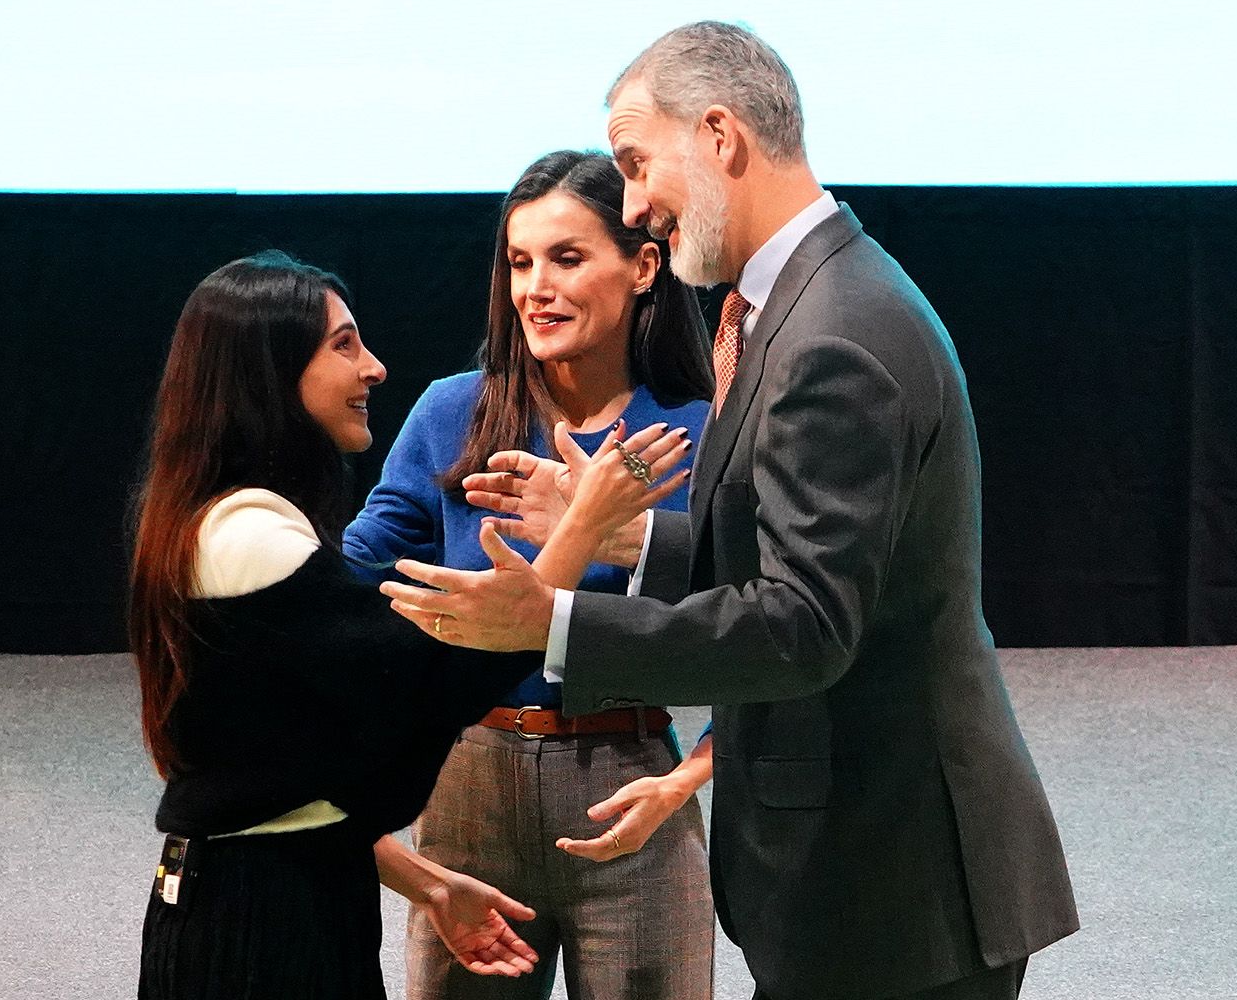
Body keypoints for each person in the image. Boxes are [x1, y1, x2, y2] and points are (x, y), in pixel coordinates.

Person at [381, 22, 1081, 1000]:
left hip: (897, 882)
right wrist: (624, 532)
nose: (634, 204)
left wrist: (552, 620)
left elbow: (802, 626)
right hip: (865, 867)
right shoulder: (797, 306)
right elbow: (791, 556)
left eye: (635, 162)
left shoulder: (833, 333)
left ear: (718, 135)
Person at [128, 249, 690, 999]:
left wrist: (427, 883)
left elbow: (288, 782)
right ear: (271, 369)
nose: (374, 367)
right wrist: (584, 525)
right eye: (343, 345)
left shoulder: (226, 524)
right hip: (259, 923)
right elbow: (431, 681)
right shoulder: (246, 539)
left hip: (287, 894)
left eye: (566, 256)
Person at [344, 150, 717, 1000]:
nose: (535, 288)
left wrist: (690, 776)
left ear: (644, 266)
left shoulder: (701, 429)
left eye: (567, 258)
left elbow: (772, 625)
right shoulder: (451, 410)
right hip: (464, 782)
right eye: (519, 263)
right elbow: (358, 576)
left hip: (631, 789)